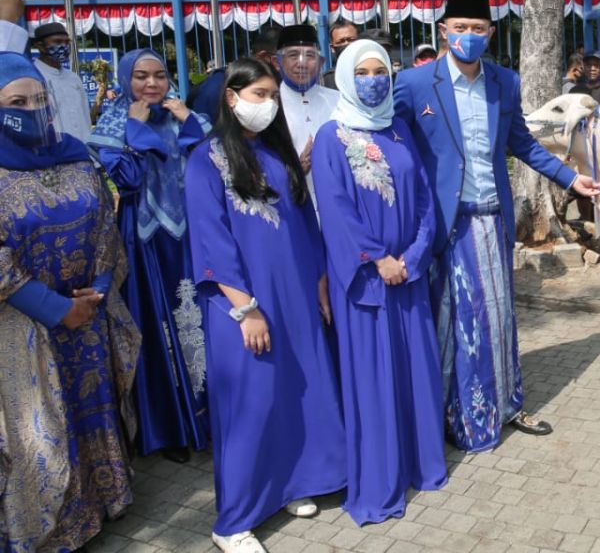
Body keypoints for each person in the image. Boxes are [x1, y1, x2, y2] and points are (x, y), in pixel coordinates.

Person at [392, 0, 600, 452]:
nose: (469, 36)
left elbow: (521, 144)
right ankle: (446, 414)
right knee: (449, 320)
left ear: (490, 33)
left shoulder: (504, 82)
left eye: (478, 29)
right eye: (460, 28)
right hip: (441, 227)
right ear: (443, 31)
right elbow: (393, 148)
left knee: (499, 319)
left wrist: (572, 179)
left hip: (492, 223)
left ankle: (506, 403)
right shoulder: (413, 84)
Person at [185, 57, 346, 553]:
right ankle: (232, 522)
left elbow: (305, 225)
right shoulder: (204, 160)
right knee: (251, 404)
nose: (269, 104)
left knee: (297, 390)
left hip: (295, 296)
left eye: (273, 95)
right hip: (244, 304)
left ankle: (293, 484)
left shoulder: (276, 157)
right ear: (230, 99)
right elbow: (211, 242)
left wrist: (320, 280)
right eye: (259, 94)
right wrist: (245, 308)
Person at [0, 52, 141, 552]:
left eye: (40, 99)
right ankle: (47, 527)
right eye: (17, 102)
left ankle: (101, 504)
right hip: (26, 325)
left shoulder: (77, 152)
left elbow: (107, 220)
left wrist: (98, 289)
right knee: (40, 426)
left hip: (88, 314)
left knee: (90, 408)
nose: (33, 109)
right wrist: (56, 309)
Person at [311, 39, 447, 524]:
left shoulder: (399, 129)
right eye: (363, 71)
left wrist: (411, 256)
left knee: (414, 369)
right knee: (374, 377)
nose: (374, 79)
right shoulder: (332, 136)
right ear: (347, 76)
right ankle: (381, 478)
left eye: (381, 71)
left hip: (407, 275)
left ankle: (421, 463)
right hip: (365, 280)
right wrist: (377, 259)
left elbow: (426, 200)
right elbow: (336, 210)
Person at [89, 48, 211, 462]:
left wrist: (188, 122)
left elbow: (213, 164)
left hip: (193, 236)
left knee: (201, 323)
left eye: (160, 75)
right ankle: (170, 428)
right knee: (157, 329)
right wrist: (135, 131)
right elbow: (127, 179)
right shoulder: (112, 123)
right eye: (142, 76)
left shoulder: (186, 118)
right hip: (145, 242)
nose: (152, 84)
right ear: (127, 79)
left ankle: (211, 417)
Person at [276, 25, 339, 198]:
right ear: (277, 62)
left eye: (310, 56)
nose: (301, 63)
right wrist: (295, 170)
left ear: (321, 62)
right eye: (293, 55)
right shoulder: (269, 104)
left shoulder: (340, 101)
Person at [188, 28, 281, 123]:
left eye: (274, 96)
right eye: (260, 94)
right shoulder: (217, 88)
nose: (297, 64)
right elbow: (203, 132)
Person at [30, 22, 92, 142]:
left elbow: (85, 117)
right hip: (52, 151)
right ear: (40, 46)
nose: (63, 46)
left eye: (66, 42)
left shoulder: (73, 78)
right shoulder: (32, 76)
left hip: (83, 150)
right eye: (57, 42)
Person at [321, 19, 360, 88]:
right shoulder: (327, 80)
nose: (347, 44)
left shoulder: (372, 72)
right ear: (332, 48)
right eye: (341, 41)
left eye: (351, 39)